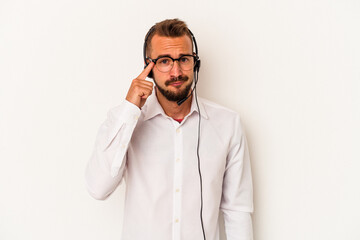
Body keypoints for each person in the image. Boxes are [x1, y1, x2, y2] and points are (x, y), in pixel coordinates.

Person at [85, 18, 253, 240]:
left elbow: (237, 211)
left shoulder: (227, 123)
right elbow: (98, 187)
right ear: (149, 66)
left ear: (195, 63)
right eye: (165, 61)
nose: (176, 72)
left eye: (183, 59)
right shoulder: (126, 121)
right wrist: (129, 109)